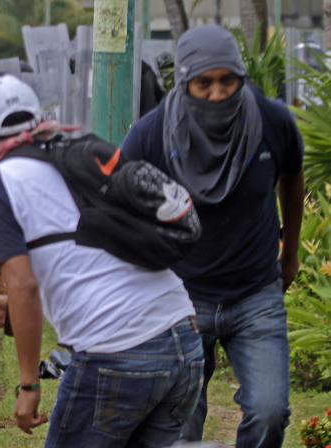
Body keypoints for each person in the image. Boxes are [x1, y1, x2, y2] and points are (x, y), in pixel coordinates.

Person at [0, 73, 204, 446]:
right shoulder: (75, 155)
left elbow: (24, 284)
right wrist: (16, 304)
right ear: (36, 118)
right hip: (183, 339)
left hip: (116, 354)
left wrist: (29, 385)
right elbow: (82, 259)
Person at [120, 25, 305, 448]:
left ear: (241, 76)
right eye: (204, 83)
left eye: (228, 80)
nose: (218, 94)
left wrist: (289, 254)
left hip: (255, 293)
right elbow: (118, 211)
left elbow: (292, 181)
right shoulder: (149, 136)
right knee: (181, 425)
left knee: (270, 413)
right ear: (184, 82)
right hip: (179, 299)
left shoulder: (272, 121)